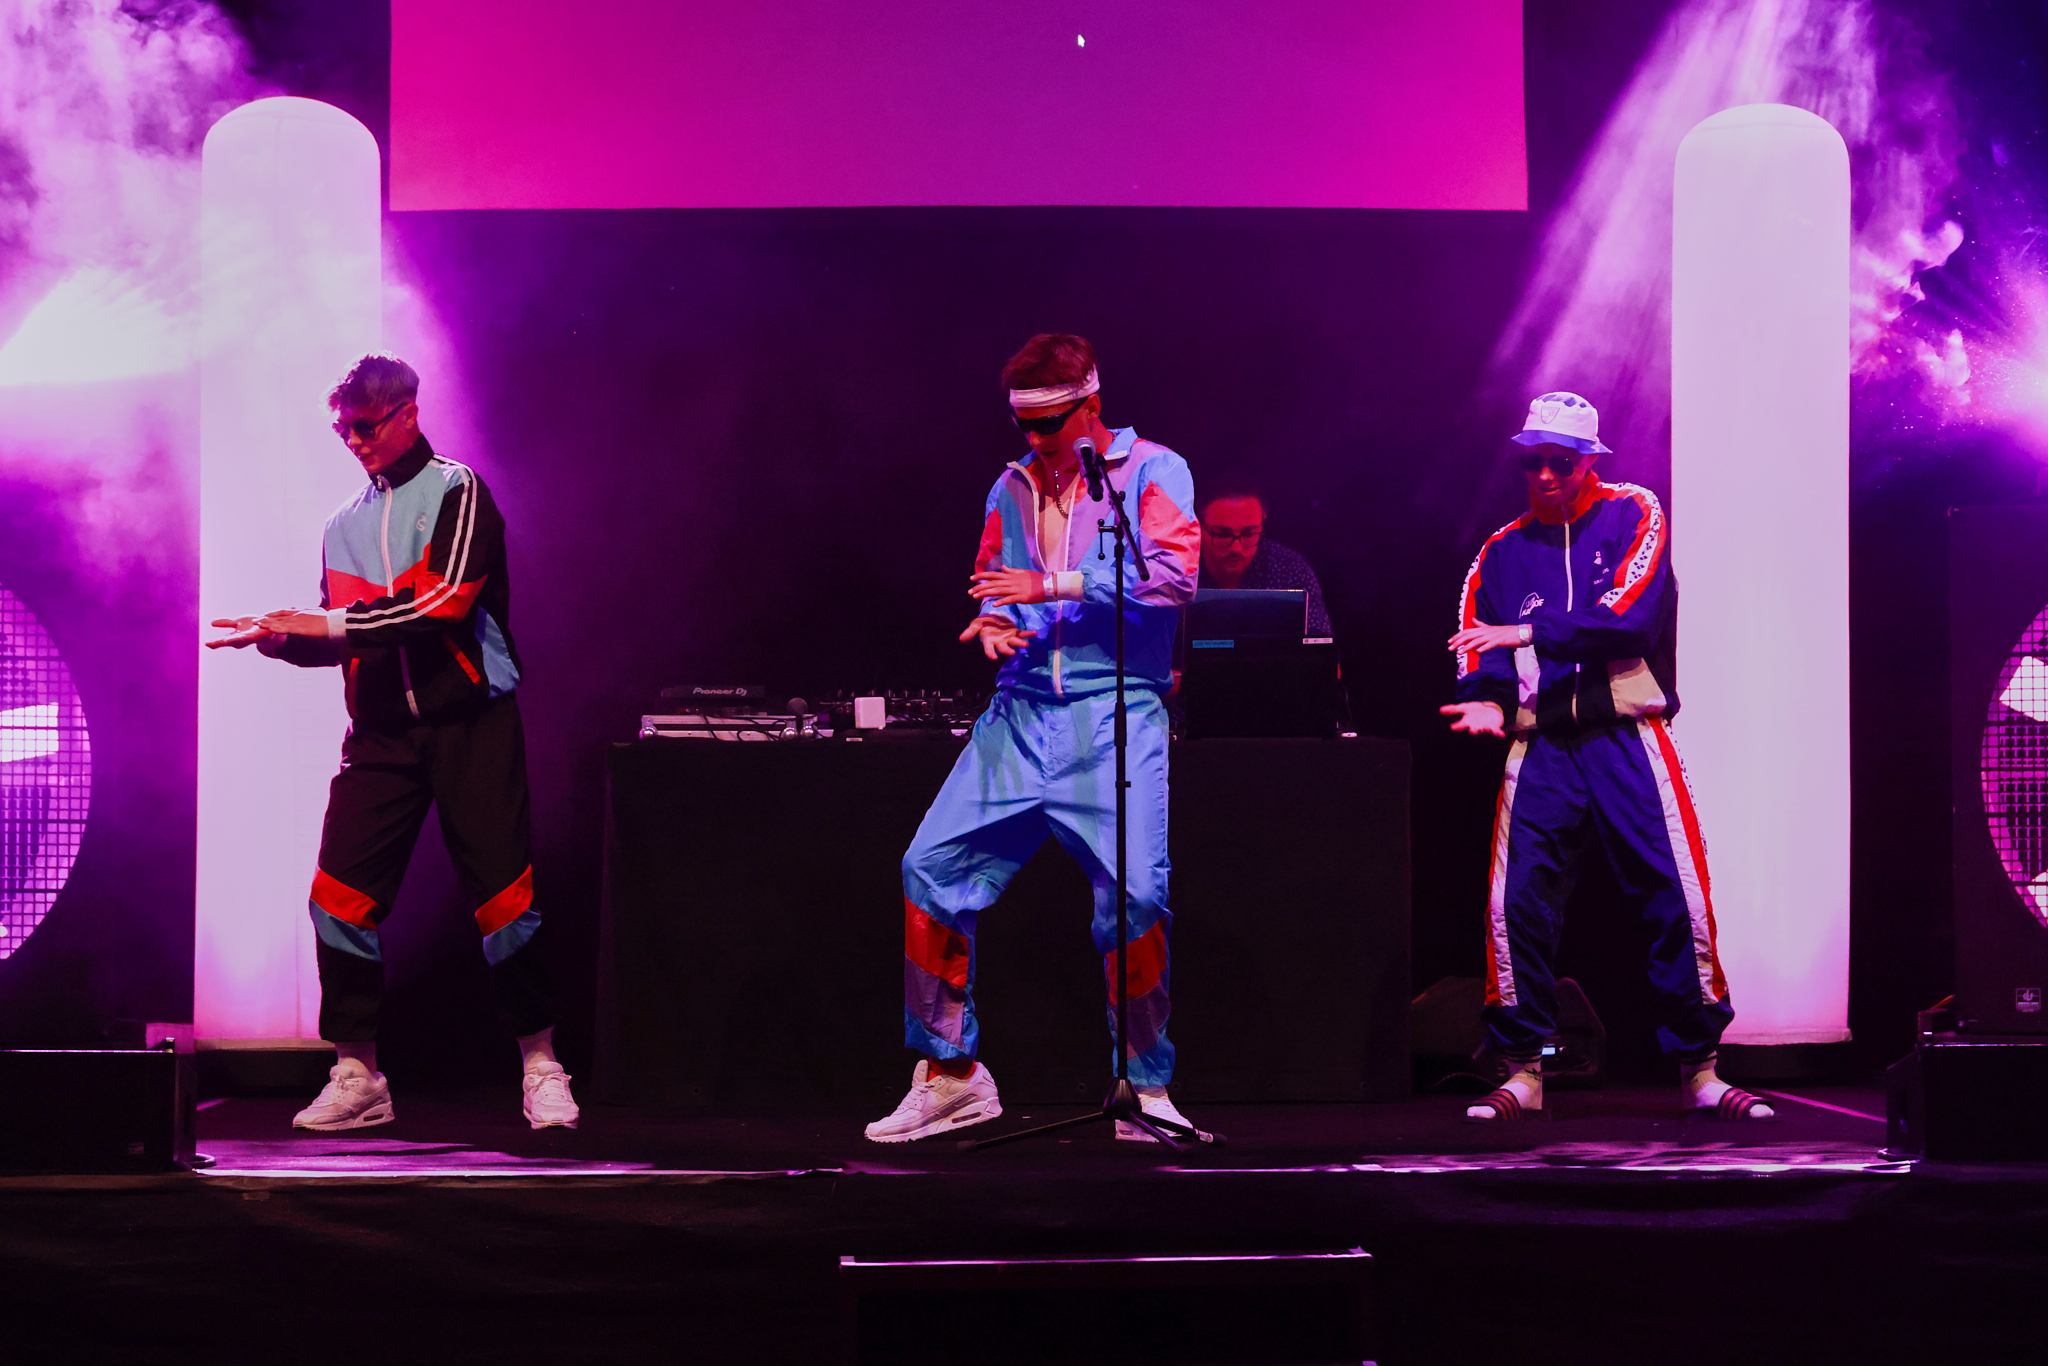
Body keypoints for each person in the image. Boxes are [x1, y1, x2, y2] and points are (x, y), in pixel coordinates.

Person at [206, 354, 578, 1133]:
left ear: (408, 412)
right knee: (336, 898)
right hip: (380, 733)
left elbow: (442, 606)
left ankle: (542, 1065)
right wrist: (282, 639)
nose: (354, 441)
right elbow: (345, 634)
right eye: (342, 430)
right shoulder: (341, 525)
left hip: (470, 721)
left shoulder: (458, 489)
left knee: (505, 902)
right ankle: (357, 1074)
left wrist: (320, 624)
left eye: (365, 426)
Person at [864, 333, 1205, 1144]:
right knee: (930, 869)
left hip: (1114, 713)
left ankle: (1144, 1088)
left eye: (1052, 423)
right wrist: (993, 619)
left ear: (1091, 405)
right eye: (1026, 424)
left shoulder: (1153, 470)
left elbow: (1173, 577)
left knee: (1136, 898)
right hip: (1018, 715)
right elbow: (996, 583)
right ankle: (952, 1074)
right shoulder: (1009, 486)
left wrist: (1053, 584)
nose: (1038, 438)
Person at [1440, 391, 1773, 1122]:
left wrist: (1527, 635)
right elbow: (1477, 641)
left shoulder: (1634, 512)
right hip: (1541, 746)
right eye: (1533, 462)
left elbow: (1629, 620)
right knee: (1514, 904)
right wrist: (1487, 697)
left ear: (1589, 462)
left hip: (1628, 736)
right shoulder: (1500, 552)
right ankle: (1522, 1071)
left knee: (1674, 892)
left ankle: (1700, 1069)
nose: (1545, 475)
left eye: (1561, 462)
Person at [1195, 476, 1333, 637]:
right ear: (1198, 526)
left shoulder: (1290, 569)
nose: (1236, 548)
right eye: (1222, 535)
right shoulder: (1176, 569)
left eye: (1249, 534)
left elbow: (1319, 644)